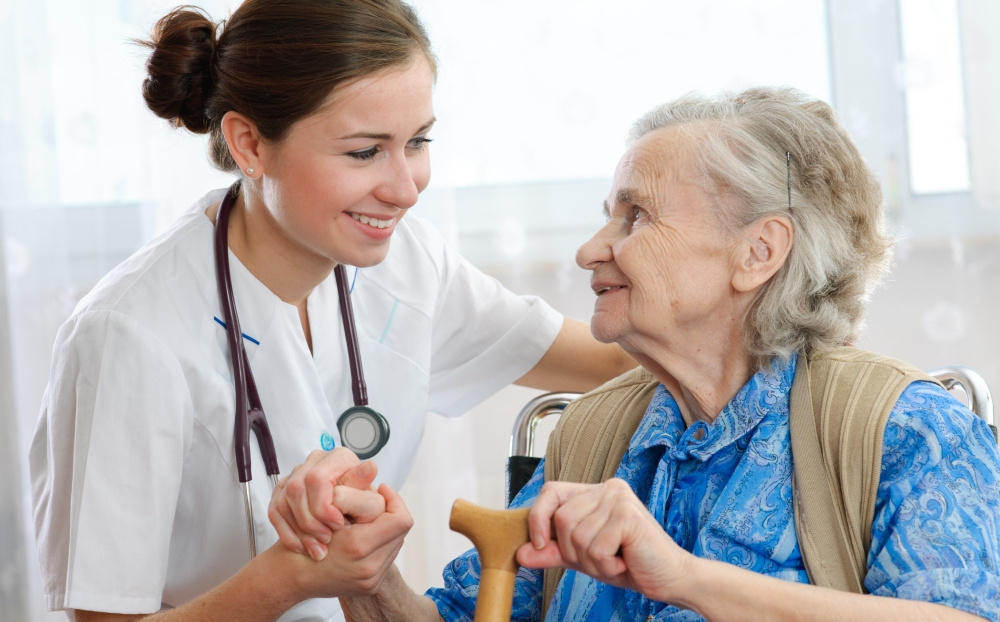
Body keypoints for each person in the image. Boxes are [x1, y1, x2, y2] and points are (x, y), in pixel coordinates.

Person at [275, 88, 1000, 621]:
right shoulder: (593, 438)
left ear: (757, 252)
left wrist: (681, 577)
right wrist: (364, 574)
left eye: (636, 216)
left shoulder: (903, 430)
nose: (592, 251)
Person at [28, 2, 636, 621]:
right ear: (249, 144)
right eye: (364, 152)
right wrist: (290, 577)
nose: (405, 188)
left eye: (418, 142)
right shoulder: (127, 336)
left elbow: (615, 358)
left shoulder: (408, 266)